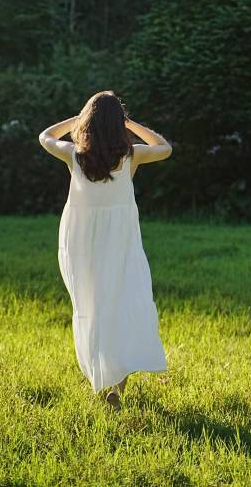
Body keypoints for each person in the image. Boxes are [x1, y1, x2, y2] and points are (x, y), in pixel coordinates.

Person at [38, 90, 172, 410]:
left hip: (80, 240)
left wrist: (80, 118)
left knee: (91, 307)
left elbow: (45, 136)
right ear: (119, 125)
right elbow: (164, 148)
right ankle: (117, 387)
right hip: (120, 241)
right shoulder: (131, 156)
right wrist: (133, 123)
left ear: (87, 123)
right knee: (122, 301)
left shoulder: (74, 155)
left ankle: (100, 380)